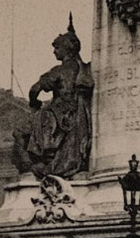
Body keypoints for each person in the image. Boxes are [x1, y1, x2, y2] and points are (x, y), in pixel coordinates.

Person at [12, 20, 93, 179]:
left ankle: (30, 169)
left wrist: (34, 103)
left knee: (19, 132)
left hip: (57, 113)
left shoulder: (59, 70)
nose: (54, 52)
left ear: (66, 49)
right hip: (74, 113)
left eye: (57, 48)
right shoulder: (82, 68)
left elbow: (34, 90)